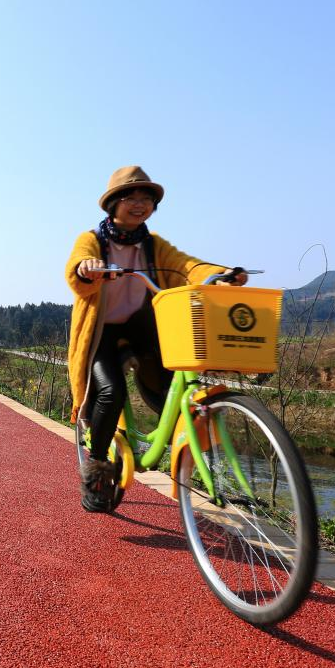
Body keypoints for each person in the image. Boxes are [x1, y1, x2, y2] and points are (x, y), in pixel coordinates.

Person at [65, 166, 247, 513]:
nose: (139, 205)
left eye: (146, 199)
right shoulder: (93, 239)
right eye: (131, 197)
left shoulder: (153, 245)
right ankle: (98, 467)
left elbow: (186, 265)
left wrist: (219, 275)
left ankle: (182, 447)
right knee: (110, 391)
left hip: (141, 326)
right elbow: (76, 266)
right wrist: (87, 266)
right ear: (113, 204)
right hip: (102, 330)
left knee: (170, 380)